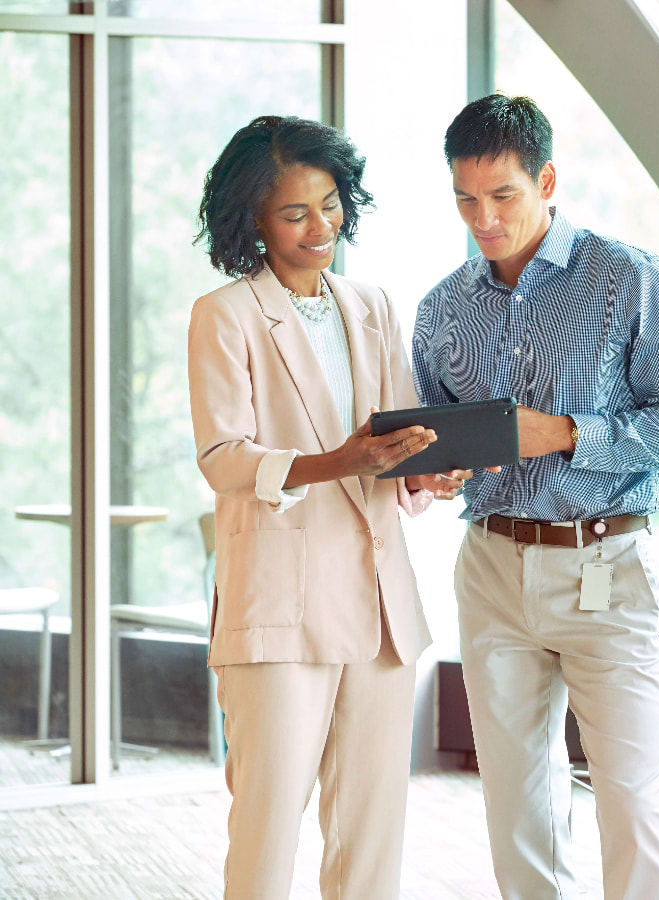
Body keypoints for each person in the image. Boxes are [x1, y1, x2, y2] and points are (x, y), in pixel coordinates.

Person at [411, 94, 659, 900]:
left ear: (546, 179)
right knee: (518, 799)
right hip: (490, 568)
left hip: (606, 564)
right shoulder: (441, 309)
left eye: (502, 195)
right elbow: (441, 443)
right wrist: (436, 472)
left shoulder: (628, 279)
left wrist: (568, 433)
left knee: (629, 794)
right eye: (465, 198)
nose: (483, 218)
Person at [188, 114, 468, 900]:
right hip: (279, 612)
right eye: (295, 212)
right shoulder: (227, 315)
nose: (322, 226)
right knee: (268, 831)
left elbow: (399, 439)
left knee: (371, 836)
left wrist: (424, 477)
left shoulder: (373, 303)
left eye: (331, 202)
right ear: (254, 220)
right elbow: (223, 458)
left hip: (380, 612)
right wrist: (340, 460)